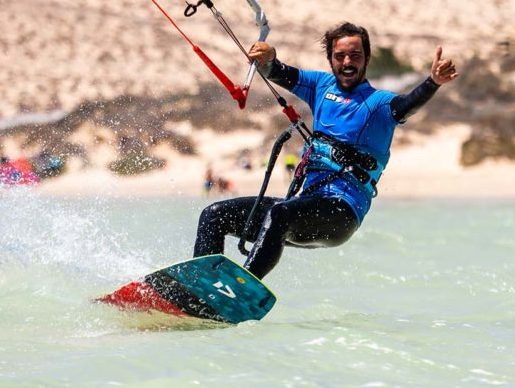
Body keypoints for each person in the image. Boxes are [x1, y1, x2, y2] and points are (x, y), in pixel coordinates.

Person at [192, 21, 458, 279]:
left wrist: (432, 82)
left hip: (342, 212)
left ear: (366, 58)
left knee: (279, 213)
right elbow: (278, 72)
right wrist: (269, 57)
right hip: (305, 205)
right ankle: (199, 286)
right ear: (330, 59)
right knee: (214, 215)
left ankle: (240, 289)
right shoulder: (321, 86)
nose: (347, 62)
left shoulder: (378, 104)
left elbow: (407, 104)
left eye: (355, 55)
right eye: (339, 56)